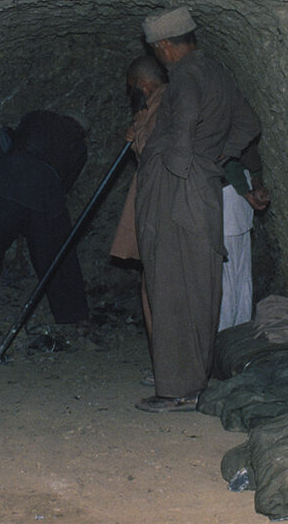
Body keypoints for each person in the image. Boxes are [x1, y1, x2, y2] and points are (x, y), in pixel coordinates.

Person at [134, 7, 261, 412]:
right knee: (200, 286)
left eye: (157, 51)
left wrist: (178, 167)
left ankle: (175, 390)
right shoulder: (218, 72)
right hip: (203, 188)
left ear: (166, 46)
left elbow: (183, 126)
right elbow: (249, 121)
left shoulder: (185, 75)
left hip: (177, 190)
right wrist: (218, 157)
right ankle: (196, 381)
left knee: (171, 286)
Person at [0, 110, 90, 325]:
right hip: (44, 191)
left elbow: (10, 146)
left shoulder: (35, 117)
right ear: (81, 130)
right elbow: (65, 184)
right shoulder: (78, 146)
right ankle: (72, 314)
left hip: (10, 182)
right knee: (56, 253)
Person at [109, 56, 167, 367]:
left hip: (162, 210)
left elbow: (155, 152)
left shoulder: (163, 104)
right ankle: (166, 366)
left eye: (133, 88)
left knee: (160, 291)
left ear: (142, 85)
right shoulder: (156, 105)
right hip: (157, 208)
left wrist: (136, 135)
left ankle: (171, 367)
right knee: (153, 288)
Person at [218, 141, 270, 331]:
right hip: (237, 198)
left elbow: (228, 163)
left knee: (228, 278)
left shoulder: (216, 115)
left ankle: (225, 338)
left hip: (228, 198)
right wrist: (252, 187)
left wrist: (247, 191)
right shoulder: (237, 115)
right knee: (239, 276)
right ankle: (237, 334)